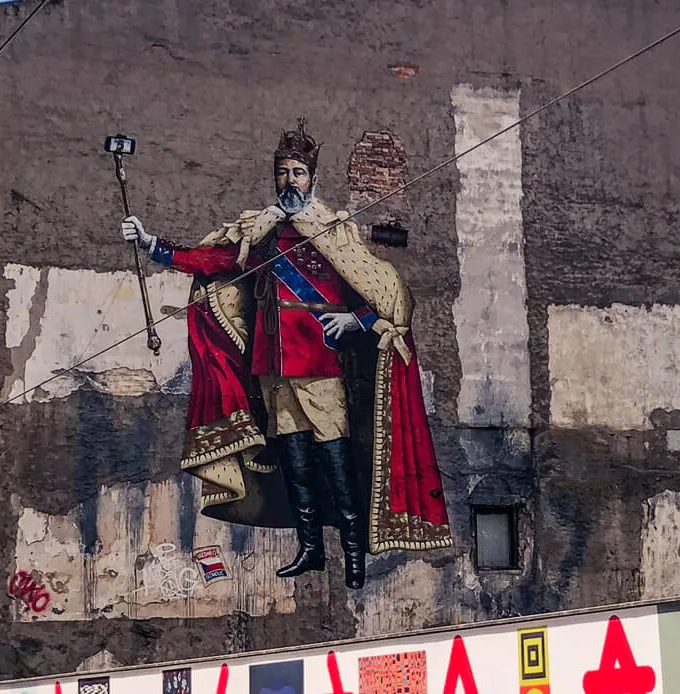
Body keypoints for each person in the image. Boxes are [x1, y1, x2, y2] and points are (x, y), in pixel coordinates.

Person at [121, 118, 451, 590]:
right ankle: (311, 550)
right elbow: (214, 261)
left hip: (320, 368)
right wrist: (155, 246)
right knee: (295, 467)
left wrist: (355, 320)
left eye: (297, 172)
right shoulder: (261, 231)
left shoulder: (335, 231)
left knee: (337, 470)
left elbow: (381, 290)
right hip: (271, 367)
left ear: (312, 178)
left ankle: (353, 556)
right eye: (283, 172)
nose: (290, 180)